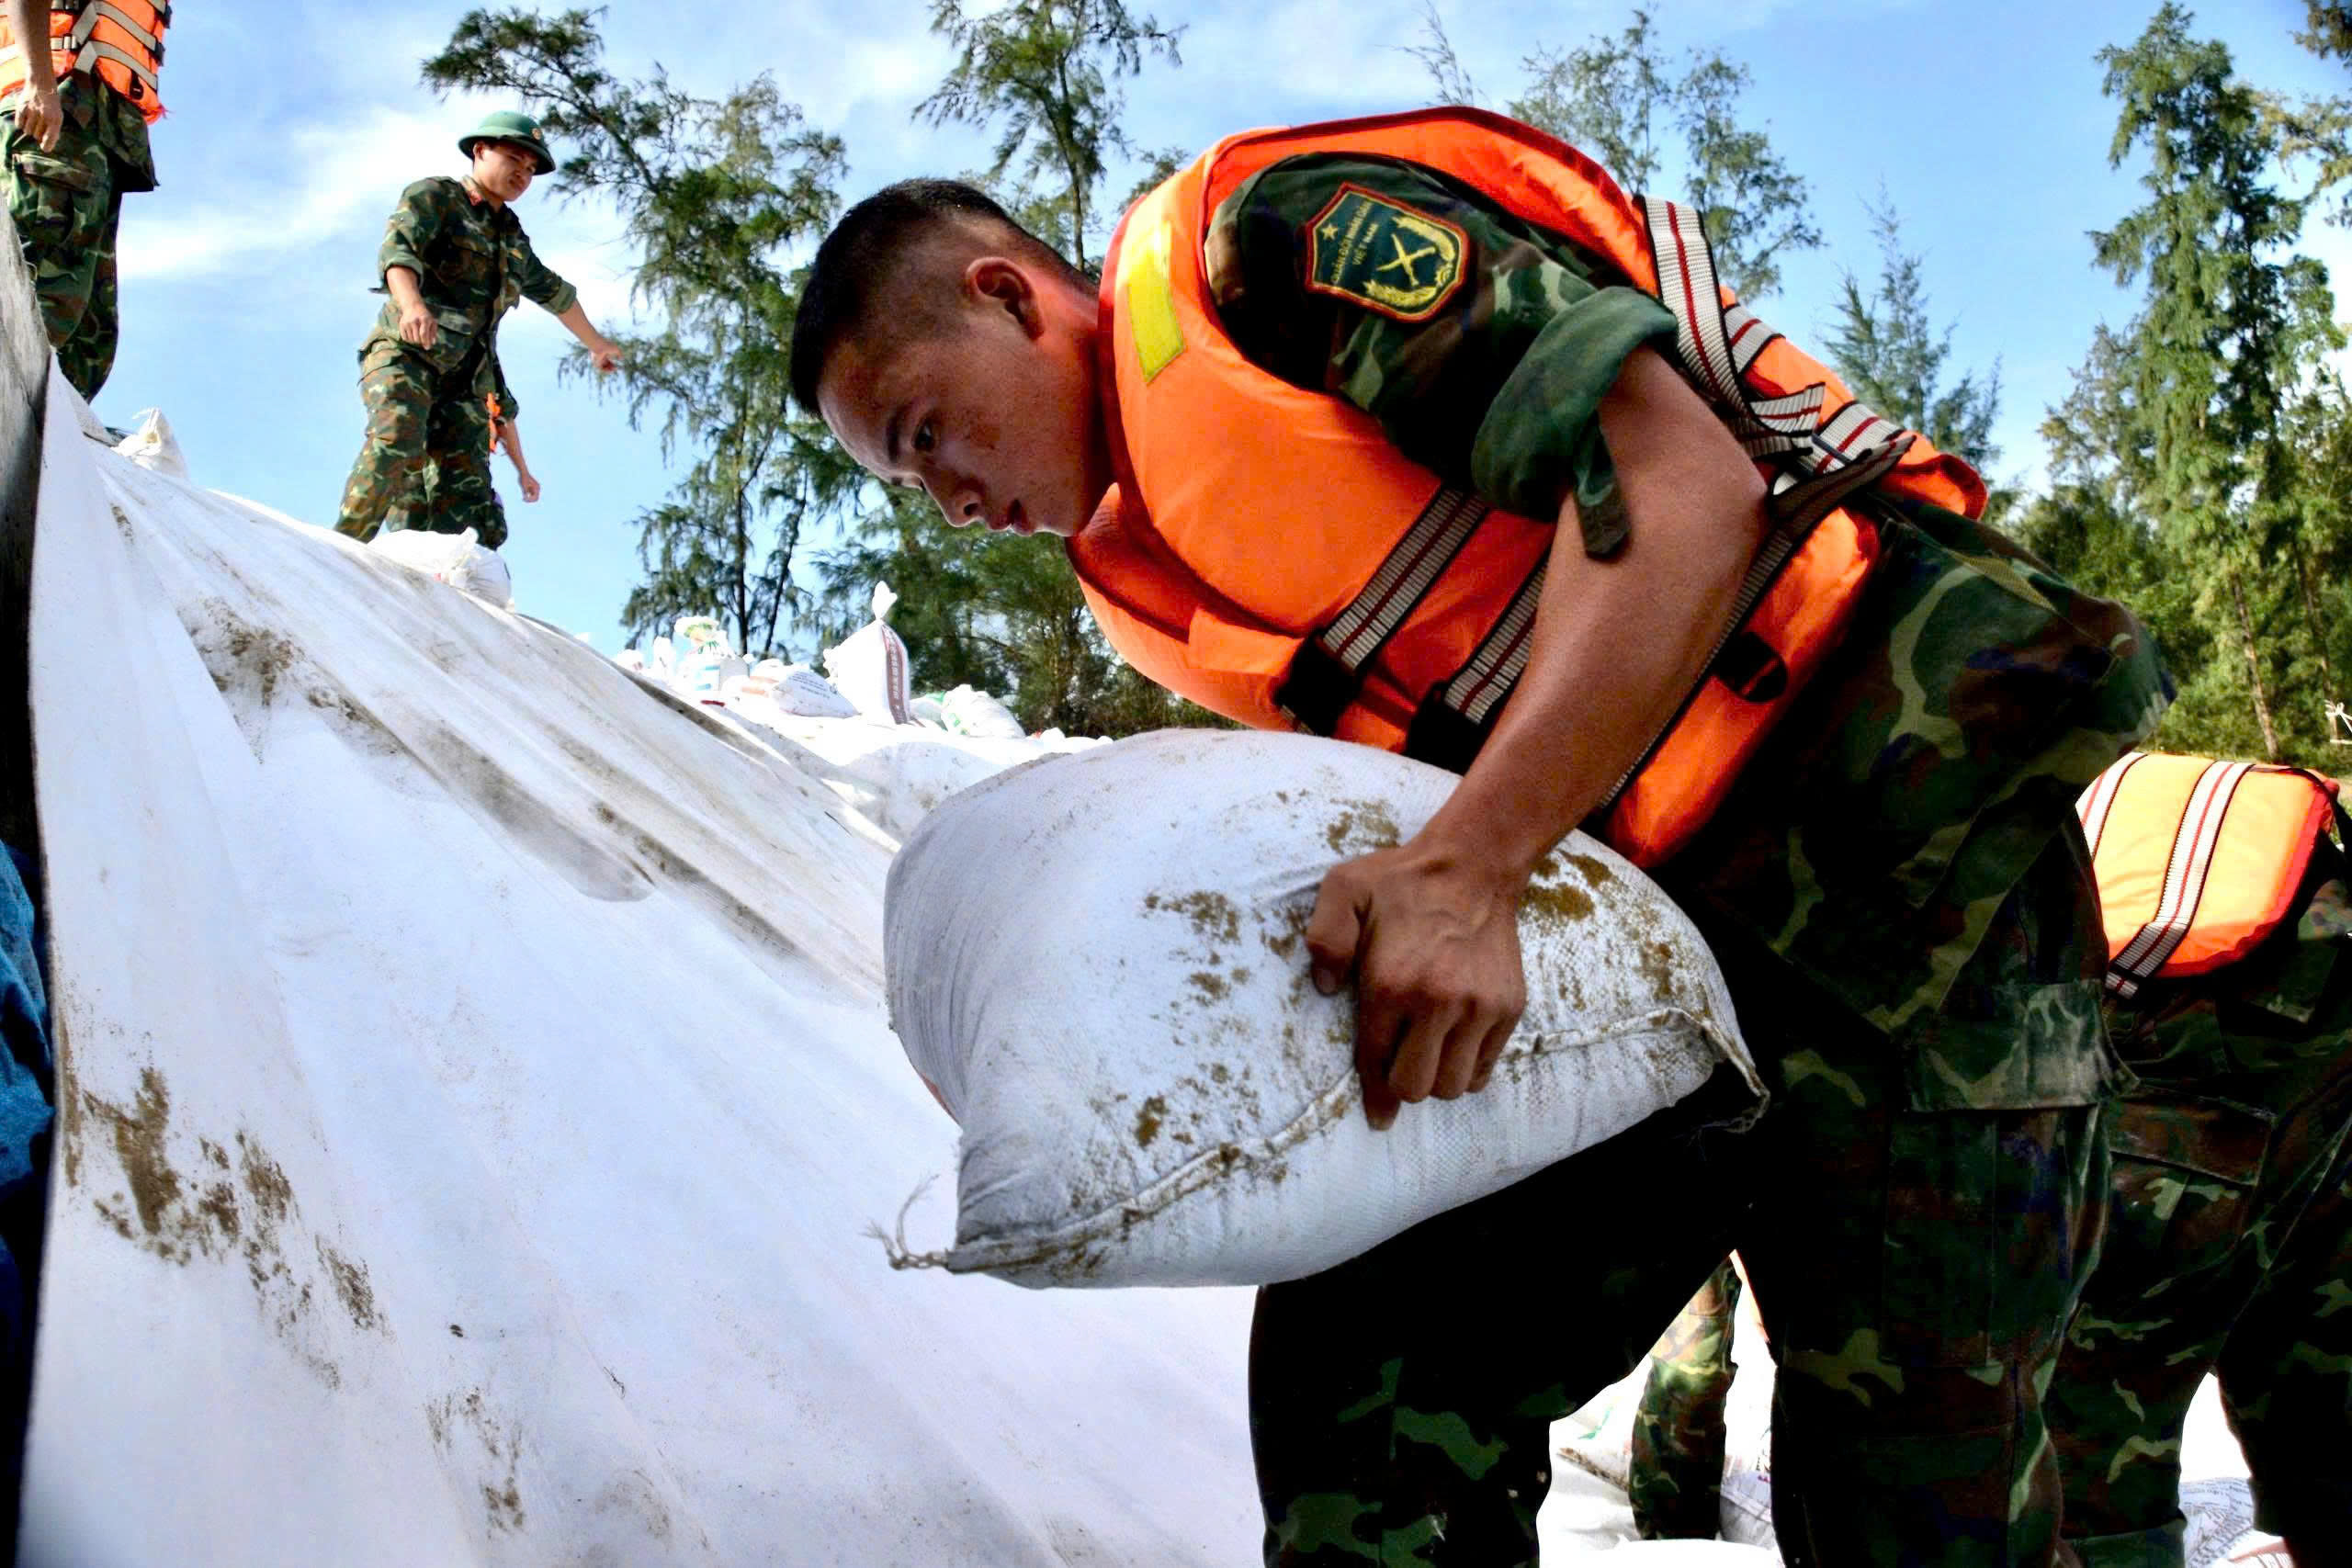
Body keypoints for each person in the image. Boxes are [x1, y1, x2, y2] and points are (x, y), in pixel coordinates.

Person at [789, 107, 2170, 1564]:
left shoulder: (1264, 250)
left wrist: (1471, 865)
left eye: (926, 429)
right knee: (1366, 1400)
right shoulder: (1149, 576)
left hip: (1907, 853)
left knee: (1922, 1511)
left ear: (1006, 296)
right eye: (905, 482)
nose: (945, 498)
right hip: (1653, 948)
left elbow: (1678, 482)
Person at [334, 110, 619, 551]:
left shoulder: (511, 235)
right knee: (399, 439)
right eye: (515, 160)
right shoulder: (437, 197)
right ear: (480, 150)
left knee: (467, 493)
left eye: (530, 170)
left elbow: (555, 292)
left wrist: (596, 345)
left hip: (467, 379)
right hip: (408, 352)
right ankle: (340, 550)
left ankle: (443, 585)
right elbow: (399, 252)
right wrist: (412, 306)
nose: (523, 174)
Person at [0, 0, 165, 401]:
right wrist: (41, 85)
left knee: (86, 341)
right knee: (35, 297)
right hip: (54, 112)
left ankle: (49, 444)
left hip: (101, 133)